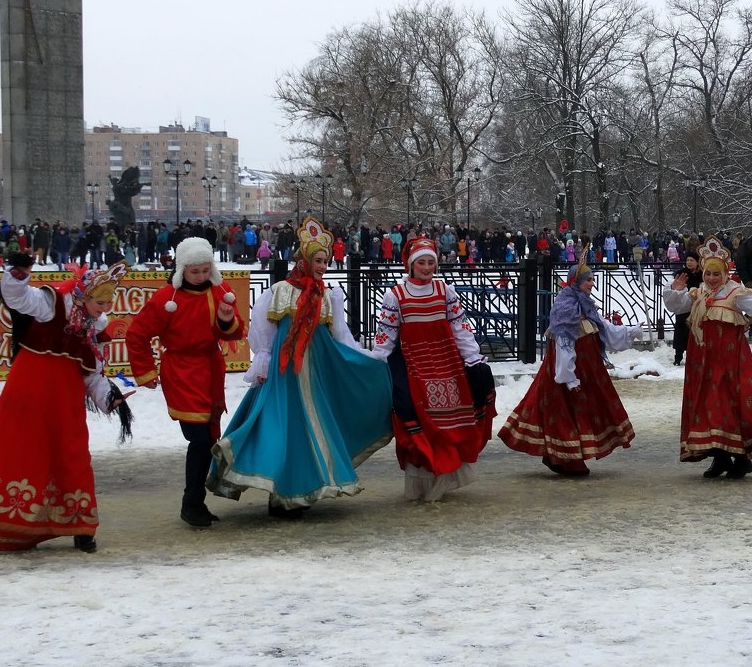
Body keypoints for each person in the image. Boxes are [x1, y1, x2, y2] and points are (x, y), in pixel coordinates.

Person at [207, 218, 392, 518]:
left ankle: (298, 493)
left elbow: (341, 336)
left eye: (326, 261)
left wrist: (366, 359)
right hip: (284, 375)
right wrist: (264, 359)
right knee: (282, 430)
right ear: (303, 259)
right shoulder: (279, 292)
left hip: (315, 374)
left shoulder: (329, 296)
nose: (322, 266)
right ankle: (282, 493)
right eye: (317, 260)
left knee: (308, 432)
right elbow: (261, 332)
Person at [0, 257, 133, 553]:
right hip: (29, 389)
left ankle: (81, 527)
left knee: (72, 454)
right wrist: (17, 275)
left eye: (109, 302)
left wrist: (111, 399)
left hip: (65, 397)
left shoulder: (92, 327)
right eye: (100, 300)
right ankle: (17, 525)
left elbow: (92, 373)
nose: (105, 307)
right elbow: (18, 297)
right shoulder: (52, 302)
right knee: (24, 453)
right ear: (83, 294)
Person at [664, 237, 752, 479]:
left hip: (730, 361)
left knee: (730, 403)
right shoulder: (699, 293)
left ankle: (740, 458)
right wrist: (674, 290)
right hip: (703, 362)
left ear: (725, 272)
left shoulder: (735, 293)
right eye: (708, 273)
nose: (711, 278)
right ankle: (720, 458)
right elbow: (676, 306)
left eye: (715, 274)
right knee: (708, 404)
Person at [125, 237, 246, 527]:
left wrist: (226, 320)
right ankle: (191, 503)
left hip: (209, 370)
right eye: (196, 272)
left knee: (208, 439)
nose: (202, 277)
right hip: (180, 372)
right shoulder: (167, 299)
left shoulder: (221, 292)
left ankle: (194, 503)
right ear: (182, 270)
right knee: (200, 439)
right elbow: (137, 335)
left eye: (206, 270)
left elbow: (235, 332)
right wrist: (146, 373)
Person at [371, 237, 496, 501]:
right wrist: (377, 360)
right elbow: (387, 334)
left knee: (449, 423)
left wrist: (472, 358)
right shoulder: (396, 295)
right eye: (421, 262)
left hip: (447, 364)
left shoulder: (444, 290)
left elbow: (460, 327)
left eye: (431, 262)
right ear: (411, 265)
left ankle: (445, 475)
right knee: (425, 424)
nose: (427, 267)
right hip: (416, 366)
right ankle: (427, 477)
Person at [498, 257, 642, 476]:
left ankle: (562, 455)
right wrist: (568, 375)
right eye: (587, 280)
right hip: (568, 372)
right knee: (564, 409)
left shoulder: (584, 302)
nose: (591, 284)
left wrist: (630, 331)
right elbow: (564, 343)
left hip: (585, 370)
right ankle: (565, 457)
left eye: (592, 279)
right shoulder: (566, 305)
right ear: (575, 281)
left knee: (582, 409)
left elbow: (604, 328)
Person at [671, 253, 703, 366]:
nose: (689, 262)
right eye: (687, 260)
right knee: (680, 331)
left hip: (697, 308)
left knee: (694, 332)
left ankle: (693, 356)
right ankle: (678, 357)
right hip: (683, 307)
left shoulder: (702, 274)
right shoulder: (681, 274)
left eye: (692, 260)